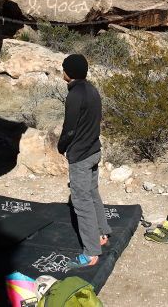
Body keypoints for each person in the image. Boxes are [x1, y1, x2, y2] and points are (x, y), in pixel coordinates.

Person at [57, 54, 111, 268]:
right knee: (92, 193)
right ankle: (101, 234)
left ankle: (90, 252)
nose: (62, 71)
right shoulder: (92, 90)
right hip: (93, 150)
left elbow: (69, 128)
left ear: (69, 72)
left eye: (64, 68)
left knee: (81, 202)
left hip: (80, 155)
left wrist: (61, 146)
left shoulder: (75, 95)